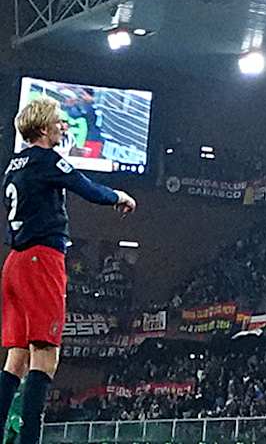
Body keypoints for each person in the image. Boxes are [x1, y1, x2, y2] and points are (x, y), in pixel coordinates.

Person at [1, 98, 135, 444]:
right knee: (46, 353)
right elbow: (85, 187)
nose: (64, 126)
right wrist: (118, 195)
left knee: (17, 357)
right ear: (44, 127)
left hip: (14, 262)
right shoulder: (47, 160)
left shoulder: (13, 166)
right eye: (59, 121)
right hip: (41, 260)